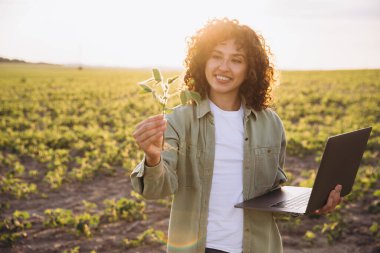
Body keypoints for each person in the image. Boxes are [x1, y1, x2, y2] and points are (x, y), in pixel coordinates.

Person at [131, 18, 342, 253]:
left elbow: (271, 195)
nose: (224, 67)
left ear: (250, 69)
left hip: (258, 246)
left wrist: (312, 203)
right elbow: (156, 190)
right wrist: (152, 158)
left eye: (236, 60)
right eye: (216, 56)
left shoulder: (270, 123)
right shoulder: (179, 120)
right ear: (203, 61)